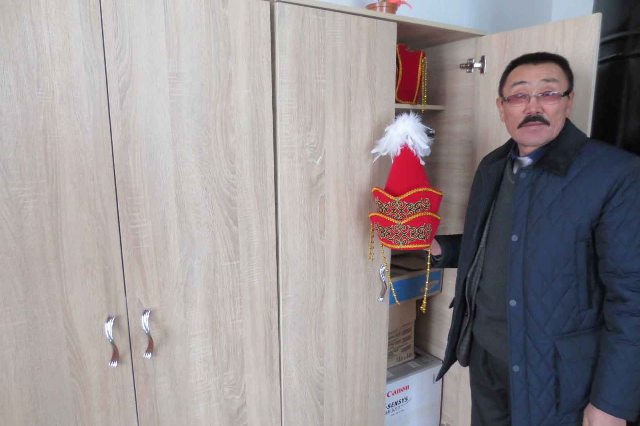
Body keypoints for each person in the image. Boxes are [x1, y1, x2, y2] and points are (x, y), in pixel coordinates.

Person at [431, 52, 640, 426]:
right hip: (487, 357)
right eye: (519, 95)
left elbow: (632, 296)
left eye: (548, 93)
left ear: (568, 101)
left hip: (558, 373)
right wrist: (440, 248)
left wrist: (612, 402)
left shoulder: (614, 173)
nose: (533, 107)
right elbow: (495, 242)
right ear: (502, 107)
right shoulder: (493, 166)